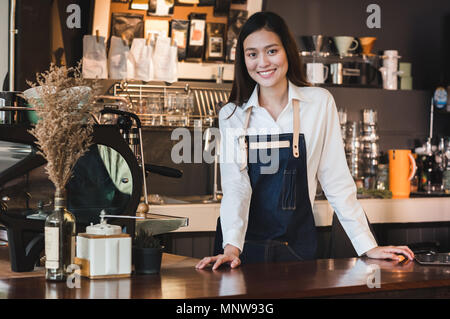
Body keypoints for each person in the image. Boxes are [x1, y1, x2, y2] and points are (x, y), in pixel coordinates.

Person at [195, 11, 414, 270]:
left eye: (271, 51)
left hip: (295, 248)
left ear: (287, 50)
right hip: (241, 253)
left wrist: (368, 245)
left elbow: (337, 181)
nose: (262, 62)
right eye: (252, 54)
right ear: (243, 60)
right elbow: (236, 186)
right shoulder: (232, 114)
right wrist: (231, 247)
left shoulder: (319, 103)